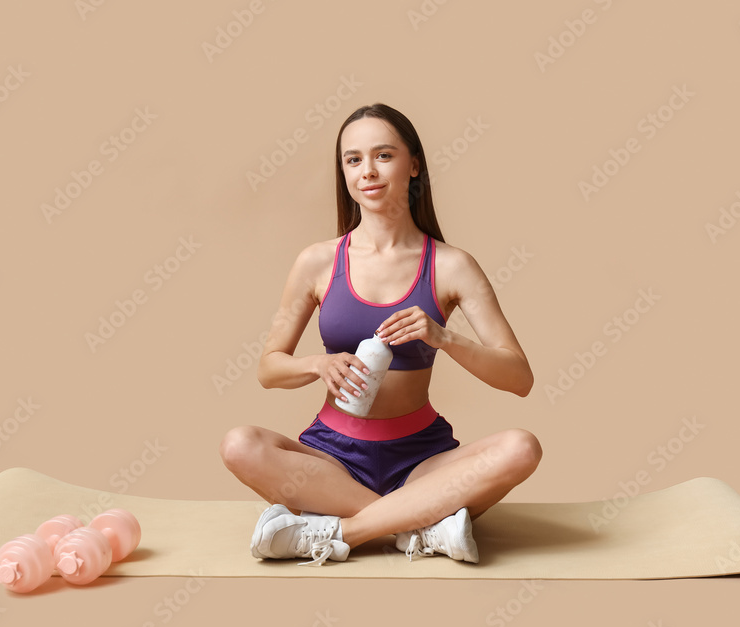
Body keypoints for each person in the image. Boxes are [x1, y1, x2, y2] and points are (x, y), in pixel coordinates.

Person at [219, 103, 541, 566]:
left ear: (413, 165)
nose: (367, 171)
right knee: (239, 444)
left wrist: (443, 338)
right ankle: (416, 528)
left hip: (422, 462)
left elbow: (519, 378)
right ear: (344, 172)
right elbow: (270, 368)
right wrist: (317, 363)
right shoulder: (319, 261)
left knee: (521, 448)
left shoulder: (452, 266)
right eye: (353, 160)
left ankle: (341, 532)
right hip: (332, 461)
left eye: (383, 155)